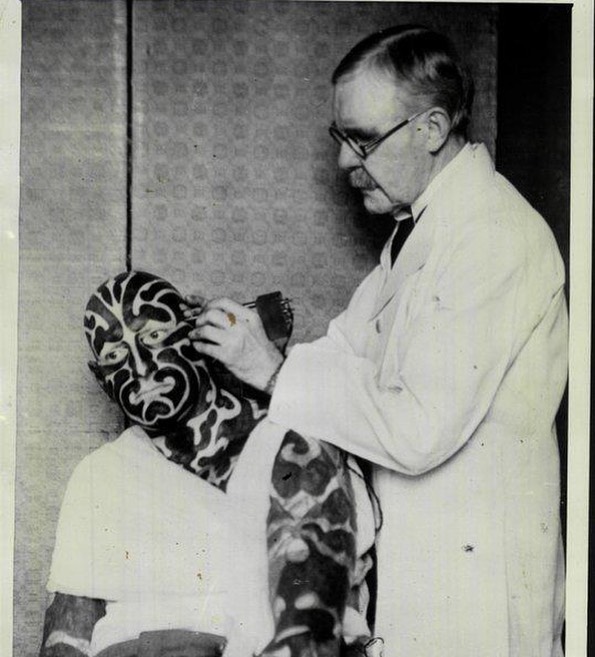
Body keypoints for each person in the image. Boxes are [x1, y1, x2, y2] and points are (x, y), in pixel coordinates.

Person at [188, 25, 568, 657]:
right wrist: (244, 346)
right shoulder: (418, 232)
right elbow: (345, 348)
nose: (344, 162)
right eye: (340, 138)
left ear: (432, 127)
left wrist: (275, 374)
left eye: (361, 139)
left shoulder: (495, 235)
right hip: (425, 563)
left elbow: (418, 428)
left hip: (479, 586)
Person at [40, 271, 377, 657]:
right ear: (102, 380)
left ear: (196, 332)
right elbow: (67, 633)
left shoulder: (292, 443)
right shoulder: (100, 474)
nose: (141, 367)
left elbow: (309, 632)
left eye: (153, 336)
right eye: (115, 356)